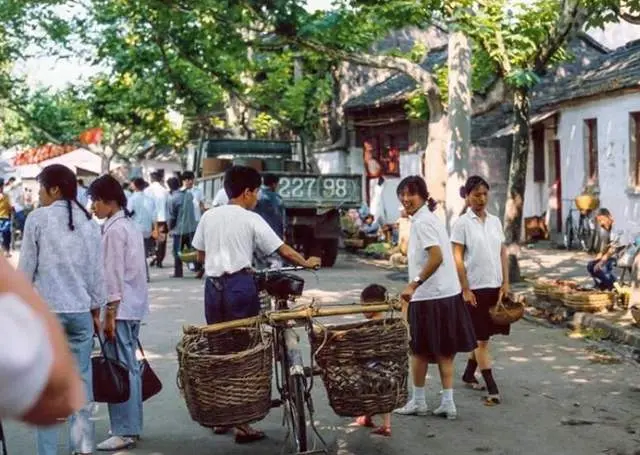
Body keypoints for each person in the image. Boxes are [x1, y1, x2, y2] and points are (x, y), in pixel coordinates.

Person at [191, 165, 321, 444]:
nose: (259, 197)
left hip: (213, 289)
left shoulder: (209, 217)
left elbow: (200, 256)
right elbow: (282, 249)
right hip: (239, 287)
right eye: (257, 191)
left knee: (219, 351)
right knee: (244, 351)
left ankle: (222, 415)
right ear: (247, 192)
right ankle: (242, 424)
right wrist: (307, 262)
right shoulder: (250, 219)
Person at [18, 164, 105, 455]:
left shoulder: (38, 220)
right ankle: (82, 449)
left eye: (41, 188)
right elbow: (97, 274)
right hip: (80, 313)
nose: (39, 194)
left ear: (54, 189)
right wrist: (96, 309)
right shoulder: (89, 223)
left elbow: (27, 270)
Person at [393, 176, 476, 420]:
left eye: (411, 194)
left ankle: (419, 401)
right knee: (444, 351)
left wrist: (414, 284)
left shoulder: (422, 222)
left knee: (418, 351)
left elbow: (437, 256)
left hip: (429, 296)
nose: (406, 199)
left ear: (422, 196)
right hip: (445, 293)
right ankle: (447, 403)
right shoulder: (429, 219)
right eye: (403, 195)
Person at [88, 175, 149, 451]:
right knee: (129, 368)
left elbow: (112, 275)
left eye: (95, 201)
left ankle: (124, 429)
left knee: (120, 368)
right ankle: (131, 426)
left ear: (107, 201)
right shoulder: (128, 225)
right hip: (132, 306)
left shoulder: (114, 230)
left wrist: (109, 314)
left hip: (119, 309)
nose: (93, 207)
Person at [0, 257, 86, 425]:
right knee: (78, 380)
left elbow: (26, 268)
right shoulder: (90, 229)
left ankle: (48, 451)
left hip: (51, 302)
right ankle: (84, 446)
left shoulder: (35, 228)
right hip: (80, 307)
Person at [451, 176, 509, 406]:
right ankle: (492, 387)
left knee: (483, 337)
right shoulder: (462, 224)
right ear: (467, 196)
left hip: (494, 287)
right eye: (476, 194)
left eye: (485, 194)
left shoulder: (495, 221)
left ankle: (468, 374)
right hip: (474, 289)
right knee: (481, 341)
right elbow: (457, 257)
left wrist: (506, 282)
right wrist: (465, 288)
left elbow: (502, 252)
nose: (481, 198)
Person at [354, 284, 393, 437]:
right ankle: (378, 422)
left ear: (371, 305)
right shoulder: (389, 324)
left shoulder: (369, 326)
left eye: (363, 305)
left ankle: (377, 421)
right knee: (383, 394)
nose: (362, 309)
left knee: (369, 393)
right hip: (389, 368)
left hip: (371, 367)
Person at [167, 176, 198, 278]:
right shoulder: (189, 195)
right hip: (191, 228)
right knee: (192, 250)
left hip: (179, 230)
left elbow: (173, 216)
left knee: (177, 252)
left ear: (169, 187)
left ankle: (178, 272)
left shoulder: (173, 199)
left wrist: (170, 228)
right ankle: (198, 269)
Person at [587, 208, 624, 290]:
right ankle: (603, 284)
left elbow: (613, 248)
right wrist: (599, 256)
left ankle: (613, 286)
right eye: (599, 221)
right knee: (590, 265)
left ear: (609, 216)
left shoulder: (617, 228)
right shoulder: (607, 228)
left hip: (622, 255)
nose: (601, 224)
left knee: (602, 267)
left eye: (602, 220)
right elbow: (607, 246)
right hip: (612, 255)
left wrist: (602, 261)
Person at [254, 173, 285, 269]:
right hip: (274, 236)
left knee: (259, 264)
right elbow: (282, 218)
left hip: (257, 235)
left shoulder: (256, 196)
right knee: (276, 265)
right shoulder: (278, 198)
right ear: (274, 184)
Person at [128, 178, 156, 281]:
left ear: (135, 185)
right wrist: (155, 229)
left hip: (136, 228)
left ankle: (142, 275)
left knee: (137, 254)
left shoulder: (132, 199)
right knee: (143, 252)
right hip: (147, 229)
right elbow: (154, 216)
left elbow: (128, 213)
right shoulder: (149, 199)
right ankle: (145, 275)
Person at [144, 172, 169, 268]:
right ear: (160, 179)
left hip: (150, 220)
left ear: (151, 179)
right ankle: (159, 260)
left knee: (150, 239)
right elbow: (168, 206)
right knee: (161, 241)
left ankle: (152, 256)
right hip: (162, 219)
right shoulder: (164, 191)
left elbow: (145, 206)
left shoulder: (146, 191)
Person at [0, 179, 12, 257]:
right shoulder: (4, 196)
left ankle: (6, 251)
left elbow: (9, 206)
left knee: (7, 235)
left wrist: (11, 209)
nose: (2, 188)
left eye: (2, 186)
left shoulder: (6, 196)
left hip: (6, 218)